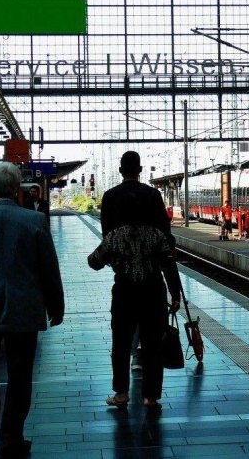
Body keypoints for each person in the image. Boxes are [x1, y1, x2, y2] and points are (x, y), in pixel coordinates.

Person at [0, 162, 64, 457]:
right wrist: (56, 305)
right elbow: (49, 268)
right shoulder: (35, 220)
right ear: (18, 189)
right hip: (24, 310)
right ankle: (11, 438)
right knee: (19, 377)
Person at [96, 151, 181, 412]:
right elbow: (168, 256)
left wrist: (115, 256)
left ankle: (121, 393)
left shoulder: (110, 198)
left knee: (121, 343)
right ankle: (150, 397)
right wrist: (176, 294)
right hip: (153, 289)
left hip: (124, 288)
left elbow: (102, 245)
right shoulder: (153, 199)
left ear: (121, 170)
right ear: (140, 169)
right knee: (153, 344)